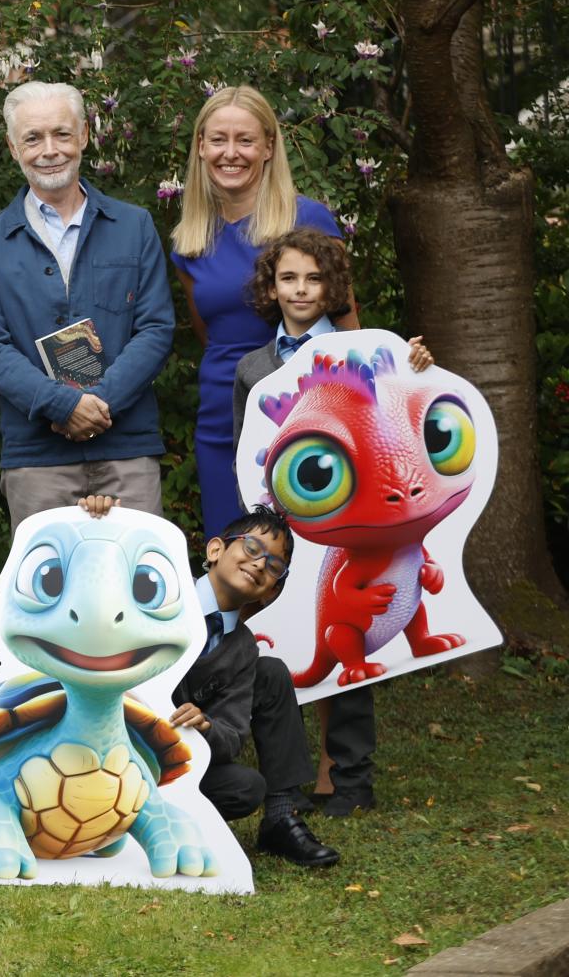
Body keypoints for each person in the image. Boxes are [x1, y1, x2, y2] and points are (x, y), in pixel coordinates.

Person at [232, 227, 433, 817]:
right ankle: (285, 784)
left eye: (314, 278)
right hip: (283, 526)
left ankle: (351, 780)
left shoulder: (369, 350)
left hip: (354, 526)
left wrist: (417, 362)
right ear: (272, 285)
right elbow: (246, 450)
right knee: (283, 649)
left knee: (349, 639)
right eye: (289, 277)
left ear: (332, 287)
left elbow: (401, 411)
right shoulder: (252, 367)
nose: (301, 289)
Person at [79, 497, 339, 866]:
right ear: (215, 549)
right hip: (104, 744)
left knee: (246, 786)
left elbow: (230, 736)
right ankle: (110, 815)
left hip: (170, 762)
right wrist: (97, 518)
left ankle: (281, 815)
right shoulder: (159, 589)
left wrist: (206, 727)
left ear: (271, 590)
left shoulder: (243, 648)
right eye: (252, 547)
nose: (259, 563)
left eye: (274, 565)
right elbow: (101, 572)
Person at [0, 80, 175, 528]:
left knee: (137, 586)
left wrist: (97, 403)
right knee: (47, 593)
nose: (50, 150)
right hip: (37, 456)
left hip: (127, 449)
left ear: (83, 136)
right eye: (33, 138)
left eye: (62, 134)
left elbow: (156, 328)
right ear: (12, 146)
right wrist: (62, 406)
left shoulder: (134, 226)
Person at [170, 85, 353, 537]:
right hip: (221, 419)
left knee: (307, 555)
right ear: (200, 146)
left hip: (303, 409)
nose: (231, 153)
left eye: (245, 140)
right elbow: (207, 333)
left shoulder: (309, 221)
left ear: (269, 147)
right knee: (234, 555)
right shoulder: (188, 239)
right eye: (218, 139)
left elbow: (348, 328)